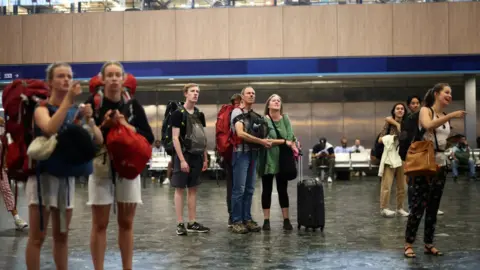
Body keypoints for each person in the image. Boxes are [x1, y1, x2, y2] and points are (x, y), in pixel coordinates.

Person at [25, 62, 103, 270]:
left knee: (62, 236)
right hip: (43, 178)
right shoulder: (41, 108)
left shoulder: (74, 111)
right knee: (37, 237)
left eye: (69, 76)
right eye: (60, 76)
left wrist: (90, 119)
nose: (66, 80)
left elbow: (97, 141)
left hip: (65, 177)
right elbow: (50, 128)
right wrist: (68, 102)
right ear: (50, 82)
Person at [86, 61, 154, 270]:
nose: (114, 78)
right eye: (110, 75)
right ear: (103, 79)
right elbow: (86, 140)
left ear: (123, 79)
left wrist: (126, 125)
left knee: (126, 223)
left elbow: (148, 137)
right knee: (100, 223)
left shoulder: (133, 106)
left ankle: (128, 267)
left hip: (128, 167)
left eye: (118, 75)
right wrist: (103, 125)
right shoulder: (94, 104)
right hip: (101, 166)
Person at [404, 83, 466, 258]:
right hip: (425, 164)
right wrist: (453, 115)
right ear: (437, 94)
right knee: (417, 206)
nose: (450, 96)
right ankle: (408, 243)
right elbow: (427, 125)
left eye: (451, 93)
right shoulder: (426, 110)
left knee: (433, 207)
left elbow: (441, 140)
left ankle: (428, 243)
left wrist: (453, 141)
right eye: (446, 92)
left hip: (440, 164)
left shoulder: (445, 115)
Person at [386, 96, 444, 215]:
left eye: (417, 103)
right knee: (412, 181)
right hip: (411, 152)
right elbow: (389, 119)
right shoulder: (406, 118)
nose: (415, 105)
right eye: (413, 103)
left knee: (428, 179)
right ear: (409, 105)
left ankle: (430, 205)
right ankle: (412, 207)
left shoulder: (424, 115)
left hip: (424, 150)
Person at [230, 86, 271, 234]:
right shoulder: (237, 112)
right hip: (241, 154)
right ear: (242, 96)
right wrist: (261, 142)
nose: (251, 95)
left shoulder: (254, 115)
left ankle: (247, 218)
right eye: (248, 93)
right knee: (239, 189)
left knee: (249, 189)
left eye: (253, 93)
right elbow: (240, 133)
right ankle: (236, 220)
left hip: (253, 154)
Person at [170, 83, 210, 236]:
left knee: (193, 188)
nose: (195, 94)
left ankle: (192, 222)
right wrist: (181, 160)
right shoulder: (177, 113)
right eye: (192, 91)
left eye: (197, 91)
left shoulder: (200, 114)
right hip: (184, 155)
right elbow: (175, 138)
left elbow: (202, 137)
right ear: (185, 94)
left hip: (197, 155)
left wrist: (205, 158)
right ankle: (180, 223)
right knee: (180, 188)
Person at [257, 94, 298, 231]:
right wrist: (283, 142)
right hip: (267, 158)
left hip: (283, 159)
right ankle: (266, 220)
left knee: (283, 190)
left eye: (279, 100)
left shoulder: (285, 118)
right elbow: (265, 140)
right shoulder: (263, 120)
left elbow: (290, 137)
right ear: (268, 105)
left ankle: (286, 220)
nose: (277, 102)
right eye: (274, 100)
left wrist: (289, 142)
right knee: (266, 189)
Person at [378, 103, 408, 218]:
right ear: (394, 111)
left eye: (402, 109)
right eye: (397, 108)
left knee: (402, 184)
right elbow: (380, 139)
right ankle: (384, 207)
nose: (400, 110)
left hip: (402, 155)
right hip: (390, 155)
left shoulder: (406, 124)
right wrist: (392, 138)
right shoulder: (388, 123)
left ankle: (400, 207)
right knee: (387, 183)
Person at [225, 93, 242, 227]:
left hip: (229, 153)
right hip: (235, 153)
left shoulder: (225, 114)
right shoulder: (235, 114)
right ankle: (236, 216)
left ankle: (234, 215)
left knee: (233, 186)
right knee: (237, 186)